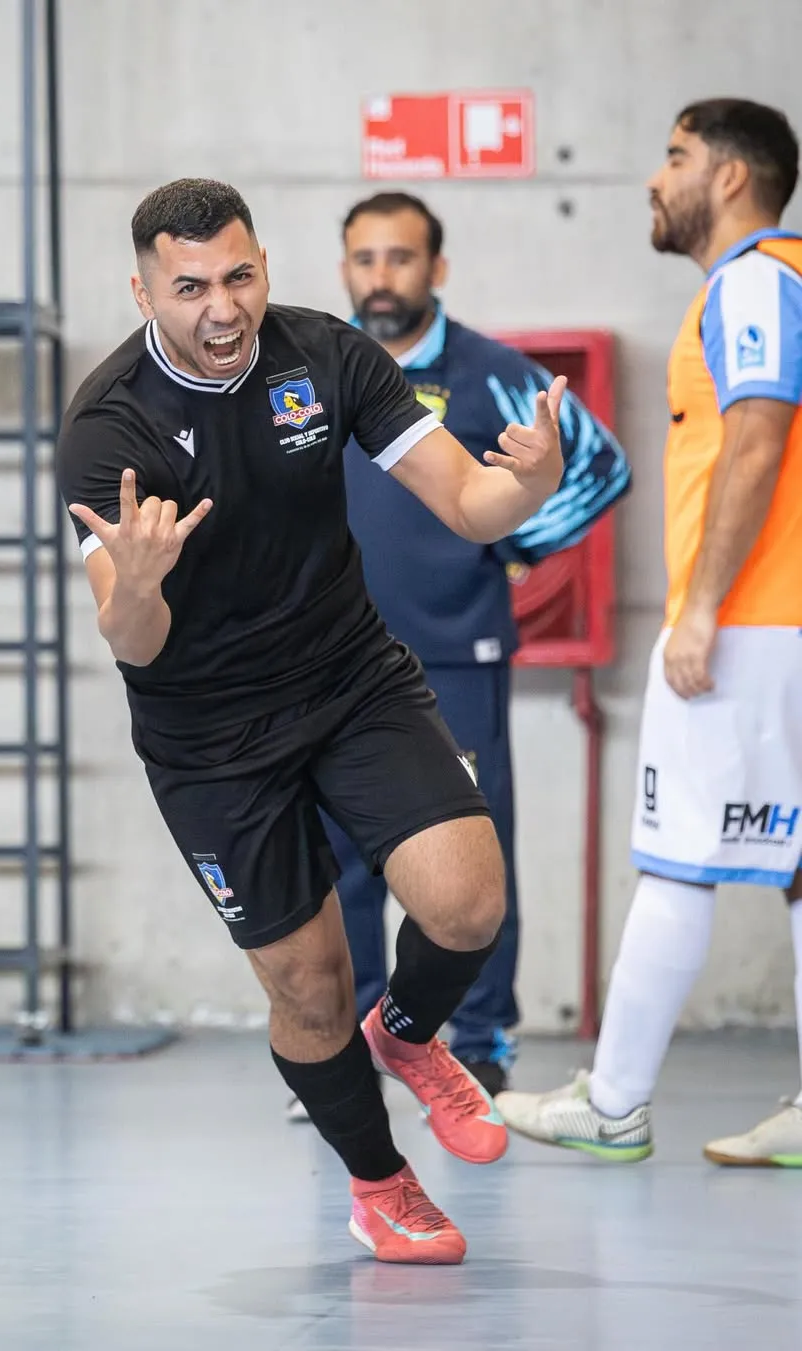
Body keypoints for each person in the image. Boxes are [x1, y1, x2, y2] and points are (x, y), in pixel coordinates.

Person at [57, 178, 566, 1263]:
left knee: (469, 901)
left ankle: (412, 1033)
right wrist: (140, 579)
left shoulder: (325, 356)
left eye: (238, 275)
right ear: (143, 287)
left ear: (266, 268)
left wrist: (529, 489)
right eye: (189, 285)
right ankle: (381, 1185)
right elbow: (132, 640)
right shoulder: (108, 425)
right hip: (210, 738)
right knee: (310, 984)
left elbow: (470, 502)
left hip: (348, 680)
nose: (220, 306)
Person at [496, 98, 802, 1166]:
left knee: (678, 860)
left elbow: (758, 441)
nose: (652, 178)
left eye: (673, 156)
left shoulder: (756, 280)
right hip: (785, 623)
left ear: (729, 177)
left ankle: (614, 1101)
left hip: (754, 624)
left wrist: (704, 607)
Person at [284, 192, 630, 1123]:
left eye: (401, 257)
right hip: (327, 662)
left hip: (456, 658)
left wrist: (508, 547)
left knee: (473, 863)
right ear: (345, 266)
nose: (381, 276)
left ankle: (477, 1047)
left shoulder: (487, 370)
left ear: (436, 269)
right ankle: (351, 1052)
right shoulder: (309, 371)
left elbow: (600, 463)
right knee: (341, 866)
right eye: (364, 258)